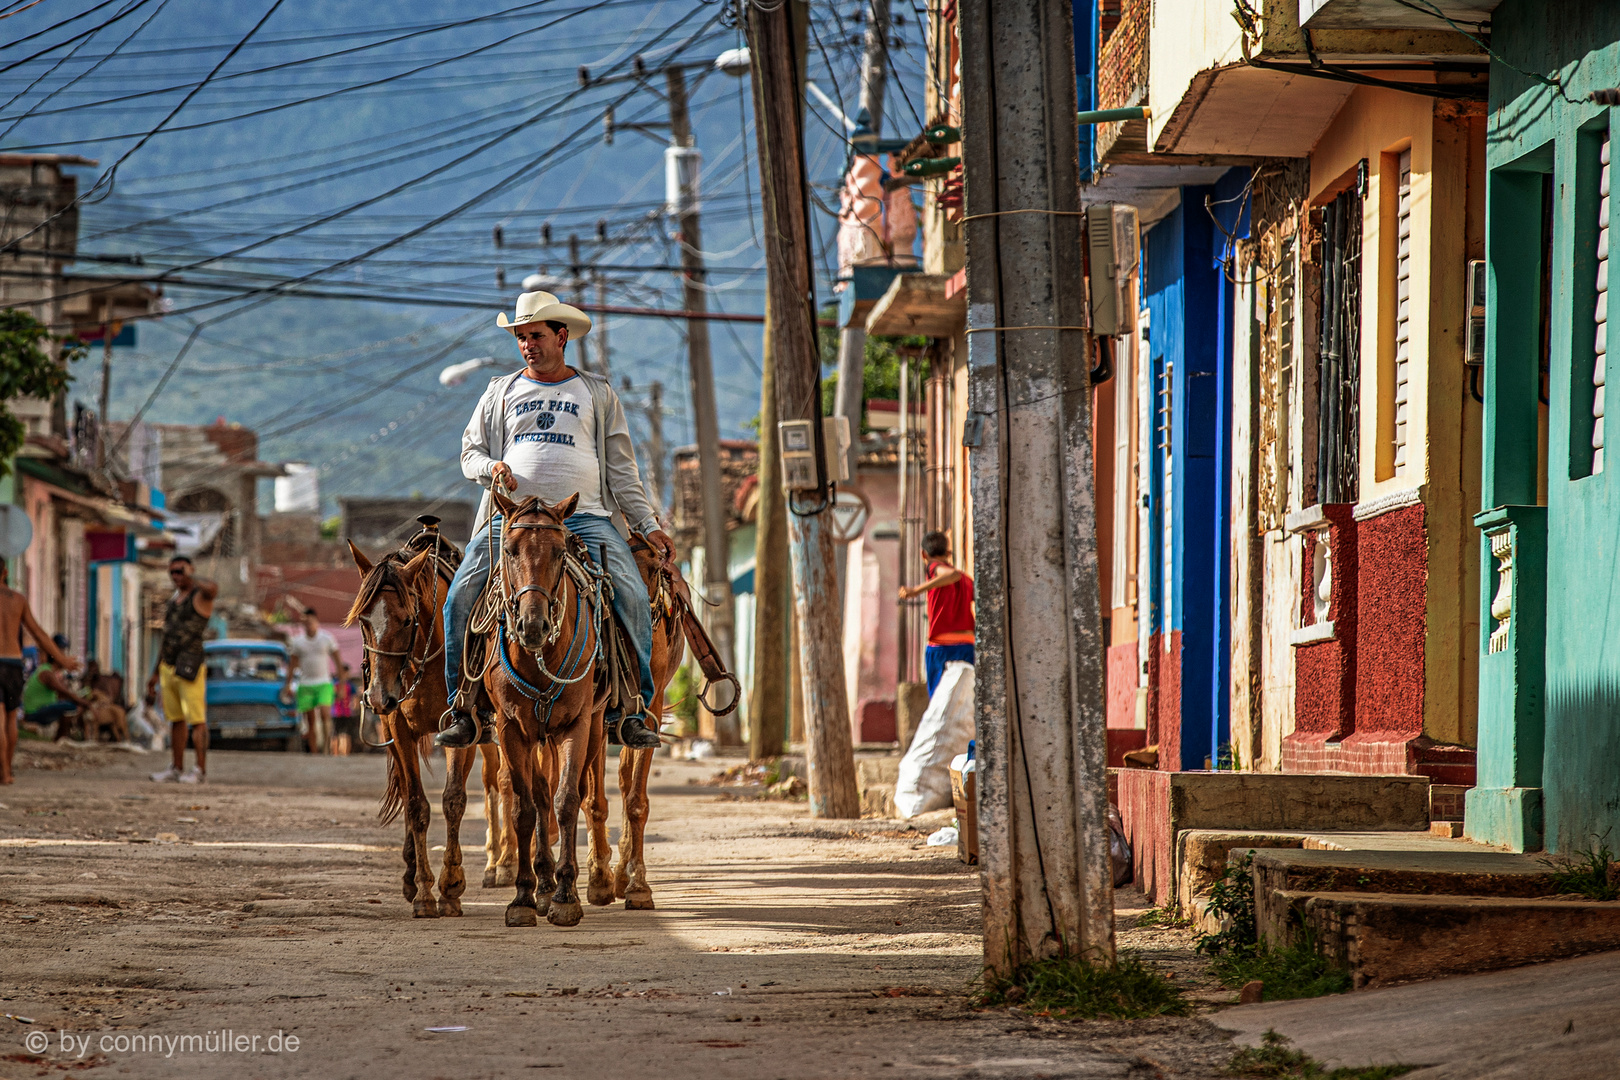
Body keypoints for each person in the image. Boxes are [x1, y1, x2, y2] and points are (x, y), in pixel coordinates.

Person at [439, 290, 674, 750]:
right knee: (460, 596)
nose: (528, 344)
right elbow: (470, 453)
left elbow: (623, 471)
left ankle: (633, 708)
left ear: (562, 336)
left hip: (583, 517)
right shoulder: (500, 392)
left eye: (537, 335)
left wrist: (646, 525)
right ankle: (463, 705)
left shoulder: (597, 393)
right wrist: (492, 469)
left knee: (631, 594)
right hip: (512, 523)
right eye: (522, 337)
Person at [0, 563, 81, 784]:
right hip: (14, 663)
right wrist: (62, 659)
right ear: (5, 572)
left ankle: (2, 771)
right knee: (10, 718)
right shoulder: (18, 599)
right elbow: (39, 634)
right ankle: (7, 772)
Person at [146, 555, 218, 784]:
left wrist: (192, 575)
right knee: (175, 719)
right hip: (169, 665)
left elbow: (214, 589)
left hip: (191, 665)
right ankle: (176, 767)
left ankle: (200, 770)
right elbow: (166, 637)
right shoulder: (173, 600)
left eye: (180, 571)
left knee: (197, 720)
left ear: (190, 570)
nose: (176, 576)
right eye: (173, 572)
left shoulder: (200, 596)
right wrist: (155, 672)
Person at [897, 530, 975, 700]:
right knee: (967, 701)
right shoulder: (966, 580)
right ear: (947, 553)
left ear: (923, 554)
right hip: (967, 645)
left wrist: (915, 590)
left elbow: (950, 575)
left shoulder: (933, 567)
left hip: (942, 647)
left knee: (939, 703)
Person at [282, 606, 342, 753]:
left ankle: (327, 749)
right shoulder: (298, 642)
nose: (308, 624)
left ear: (316, 621)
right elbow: (292, 665)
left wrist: (342, 684)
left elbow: (338, 662)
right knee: (310, 722)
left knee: (325, 715)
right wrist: (288, 684)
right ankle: (314, 753)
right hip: (305, 684)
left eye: (310, 621)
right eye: (305, 622)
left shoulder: (327, 638)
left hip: (324, 683)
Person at [28, 633, 90, 740]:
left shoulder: (49, 670)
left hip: (39, 708)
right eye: (60, 652)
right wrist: (85, 703)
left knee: (67, 704)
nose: (63, 655)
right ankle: (60, 738)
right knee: (70, 707)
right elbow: (65, 692)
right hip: (35, 712)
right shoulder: (47, 672)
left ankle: (63, 737)